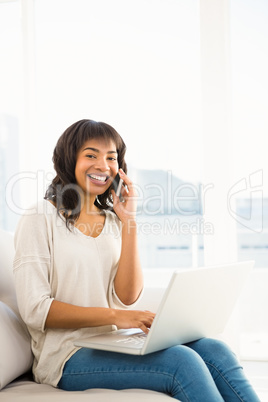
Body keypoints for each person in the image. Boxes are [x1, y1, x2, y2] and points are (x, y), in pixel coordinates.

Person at [13, 119, 260, 401]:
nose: (103, 166)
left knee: (216, 350)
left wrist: (129, 221)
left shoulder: (114, 222)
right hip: (66, 356)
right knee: (181, 362)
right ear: (69, 159)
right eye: (91, 155)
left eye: (111, 157)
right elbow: (35, 309)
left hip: (109, 341)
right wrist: (120, 317)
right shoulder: (40, 217)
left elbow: (128, 296)